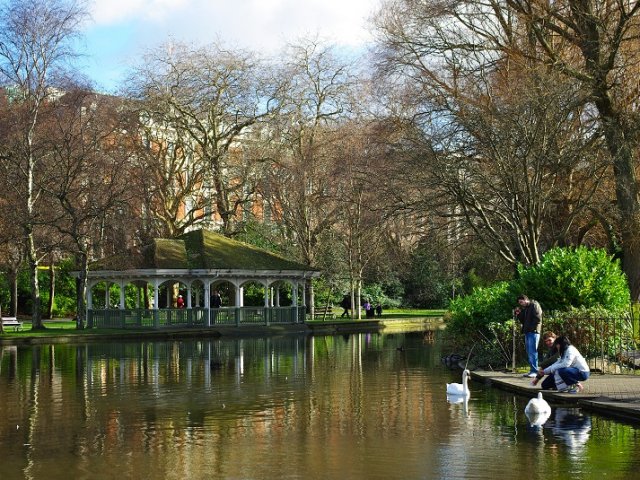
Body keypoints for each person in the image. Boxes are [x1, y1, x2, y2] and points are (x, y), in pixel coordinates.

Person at [515, 294, 542, 378]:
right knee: (529, 352)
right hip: (527, 332)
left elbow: (538, 318)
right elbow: (523, 320)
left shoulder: (534, 304)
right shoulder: (526, 309)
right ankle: (532, 370)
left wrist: (531, 327)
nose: (521, 304)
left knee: (533, 352)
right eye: (519, 303)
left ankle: (535, 371)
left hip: (533, 332)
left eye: (521, 302)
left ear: (525, 299)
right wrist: (518, 314)